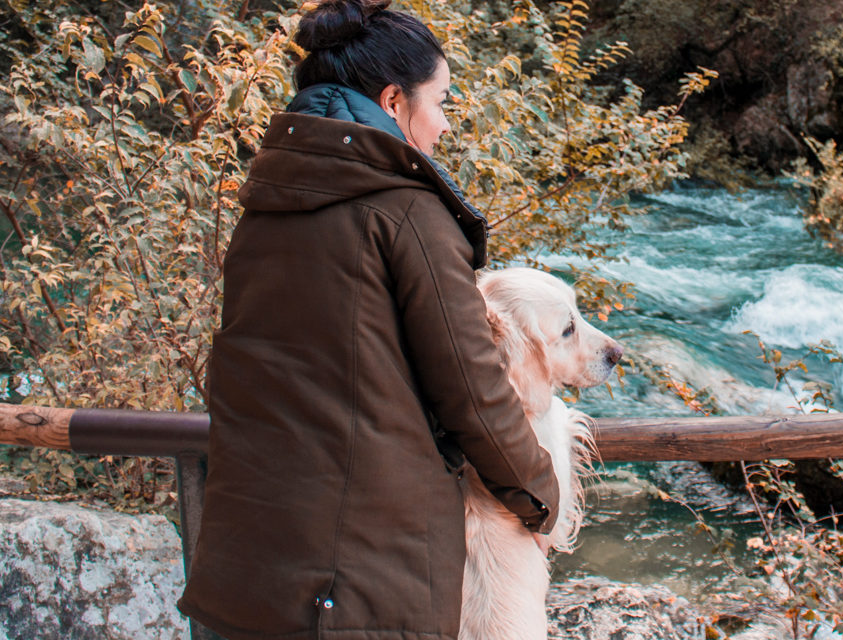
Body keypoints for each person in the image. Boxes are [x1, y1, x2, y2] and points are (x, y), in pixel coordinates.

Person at [176, 1, 560, 638]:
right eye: (439, 103)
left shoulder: (266, 207)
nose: (442, 126)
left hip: (245, 571)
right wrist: (542, 499)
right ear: (392, 102)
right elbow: (474, 392)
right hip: (357, 589)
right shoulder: (409, 215)